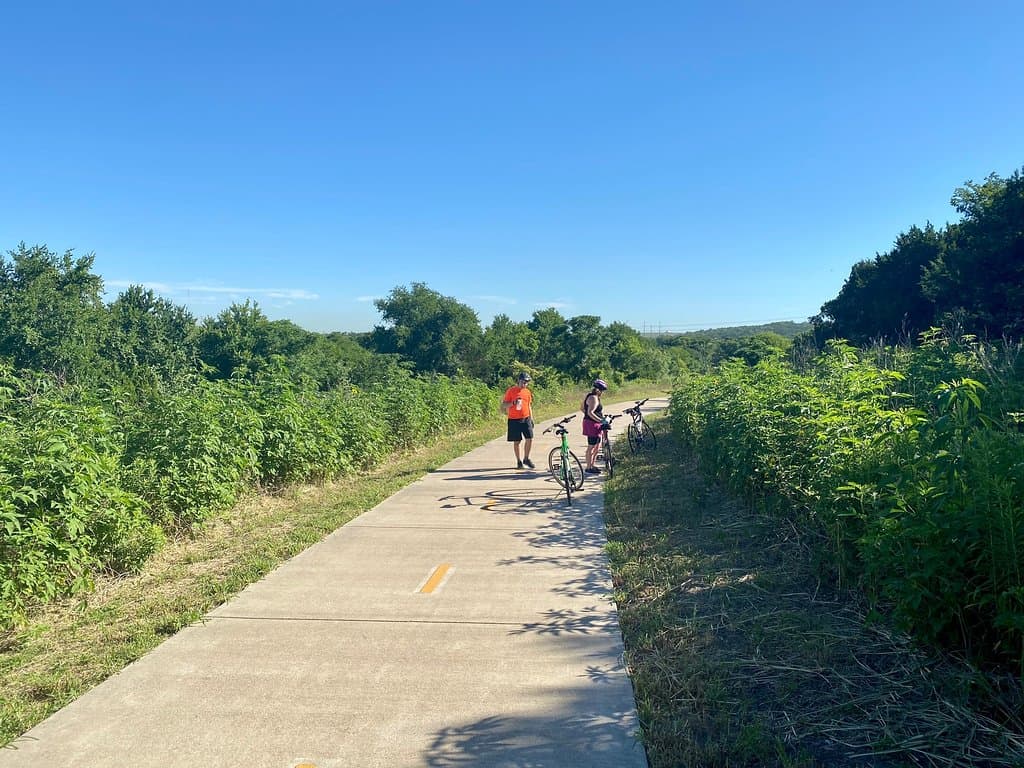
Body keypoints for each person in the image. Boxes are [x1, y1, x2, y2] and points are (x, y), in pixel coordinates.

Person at [502, 372, 535, 469]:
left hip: (526, 418)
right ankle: (519, 461)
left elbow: (529, 405)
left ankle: (526, 458)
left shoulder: (527, 392)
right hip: (514, 419)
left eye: (526, 382)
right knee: (517, 441)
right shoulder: (511, 391)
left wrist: (531, 418)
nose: (524, 384)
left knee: (529, 439)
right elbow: (504, 405)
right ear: (519, 381)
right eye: (523, 382)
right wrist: (513, 403)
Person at [582, 378, 609, 473]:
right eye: (601, 391)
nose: (602, 393)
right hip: (592, 424)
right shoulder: (594, 398)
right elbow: (590, 412)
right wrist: (601, 421)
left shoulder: (589, 396)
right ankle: (589, 467)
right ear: (599, 390)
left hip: (592, 423)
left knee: (596, 445)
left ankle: (592, 465)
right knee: (591, 446)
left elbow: (582, 408)